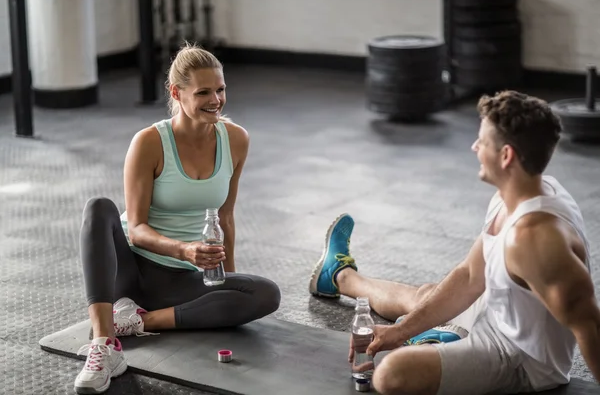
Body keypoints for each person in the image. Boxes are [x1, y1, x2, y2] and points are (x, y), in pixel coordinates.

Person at [309, 90, 600, 395]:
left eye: (482, 142)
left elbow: (589, 325)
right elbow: (470, 275)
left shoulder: (535, 240)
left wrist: (404, 335)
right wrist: (398, 332)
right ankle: (340, 277)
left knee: (392, 374)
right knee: (427, 296)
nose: (474, 147)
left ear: (506, 156)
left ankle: (440, 338)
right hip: (498, 314)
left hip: (519, 357)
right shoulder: (518, 192)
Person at [74, 43, 281, 394]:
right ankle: (104, 344)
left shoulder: (236, 140)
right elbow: (136, 229)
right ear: (176, 93)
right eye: (203, 92)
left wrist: (227, 281)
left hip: (181, 282)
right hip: (132, 270)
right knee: (98, 207)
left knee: (266, 294)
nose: (215, 99)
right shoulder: (150, 142)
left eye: (220, 89)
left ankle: (139, 322)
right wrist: (185, 250)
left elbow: (226, 216)